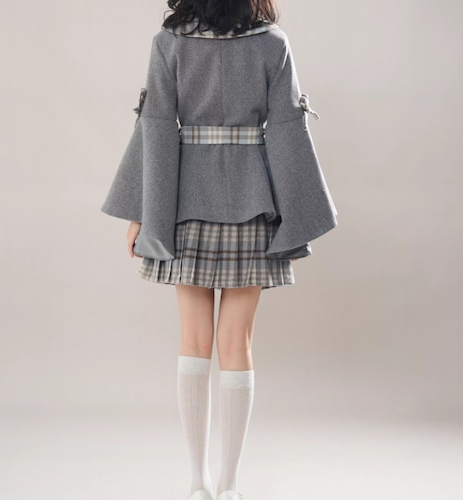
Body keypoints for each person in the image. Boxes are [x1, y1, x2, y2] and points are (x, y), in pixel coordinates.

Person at [100, 1, 338, 499]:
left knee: (193, 341)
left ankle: (198, 483)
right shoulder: (272, 43)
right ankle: (230, 487)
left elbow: (156, 126)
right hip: (254, 203)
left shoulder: (169, 43)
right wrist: (297, 217)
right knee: (237, 344)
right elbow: (288, 129)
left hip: (184, 204)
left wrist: (142, 212)